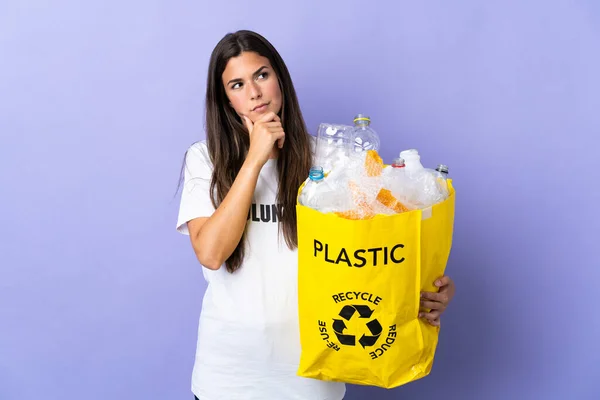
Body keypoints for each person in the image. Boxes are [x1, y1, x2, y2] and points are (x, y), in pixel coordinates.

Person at [176, 29, 456, 400]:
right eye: (237, 84)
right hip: (228, 375)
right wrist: (255, 159)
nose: (254, 92)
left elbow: (374, 250)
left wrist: (425, 289)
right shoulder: (205, 158)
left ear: (280, 78)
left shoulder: (332, 159)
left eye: (261, 75)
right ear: (226, 100)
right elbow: (211, 253)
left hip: (312, 374)